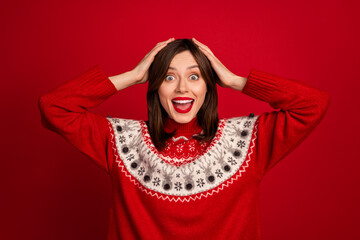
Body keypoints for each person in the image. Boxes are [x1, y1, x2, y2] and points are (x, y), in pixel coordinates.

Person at [38, 38, 330, 240]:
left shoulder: (250, 139)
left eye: (194, 77)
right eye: (167, 77)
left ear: (209, 84)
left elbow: (313, 104)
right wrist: (133, 74)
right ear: (155, 87)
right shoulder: (118, 140)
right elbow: (54, 107)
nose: (181, 88)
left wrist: (234, 80)